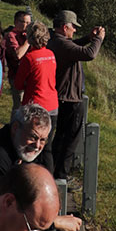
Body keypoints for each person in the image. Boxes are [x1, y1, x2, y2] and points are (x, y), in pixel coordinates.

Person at [41, 13, 101, 178]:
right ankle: (61, 175)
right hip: (69, 98)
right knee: (69, 138)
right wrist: (98, 39)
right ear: (64, 27)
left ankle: (53, 171)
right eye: (73, 26)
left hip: (62, 96)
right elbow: (89, 54)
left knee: (60, 136)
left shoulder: (56, 40)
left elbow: (74, 45)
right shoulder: (61, 43)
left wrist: (88, 37)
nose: (74, 29)